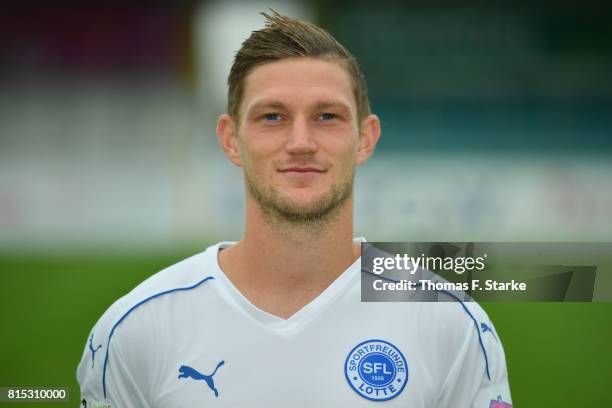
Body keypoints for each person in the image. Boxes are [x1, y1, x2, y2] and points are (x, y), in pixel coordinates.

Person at [77, 11, 512, 407]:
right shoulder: (136, 331)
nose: (301, 142)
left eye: (327, 117)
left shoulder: (450, 324)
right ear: (231, 139)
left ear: (365, 138)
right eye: (272, 117)